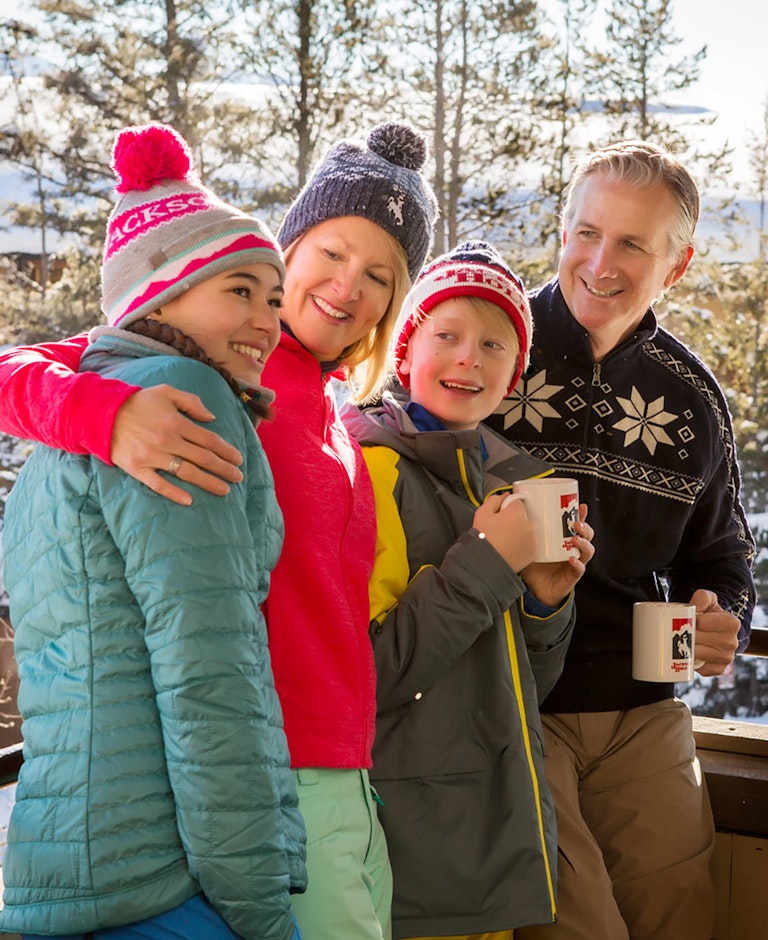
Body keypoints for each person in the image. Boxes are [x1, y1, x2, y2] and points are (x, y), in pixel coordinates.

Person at [0, 121, 438, 940]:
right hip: (262, 774)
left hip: (339, 765)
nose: (349, 286)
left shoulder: (326, 406)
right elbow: (35, 366)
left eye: (381, 274)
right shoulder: (209, 374)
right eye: (334, 253)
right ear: (291, 243)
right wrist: (107, 413)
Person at [0, 122, 306, 939]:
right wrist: (259, 902)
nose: (267, 319)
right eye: (238, 290)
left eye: (273, 298)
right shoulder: (175, 401)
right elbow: (210, 673)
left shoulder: (67, 434)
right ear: (159, 299)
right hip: (163, 879)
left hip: (60, 864)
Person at [483, 141, 757, 940]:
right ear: (561, 232)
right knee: (579, 927)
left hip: (645, 710)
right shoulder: (491, 345)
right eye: (586, 233)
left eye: (633, 243)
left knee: (681, 919)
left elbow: (722, 556)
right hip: (511, 697)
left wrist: (720, 612)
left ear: (677, 264)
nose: (601, 262)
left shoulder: (694, 397)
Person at [342, 241, 594, 940]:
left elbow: (523, 685)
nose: (467, 359)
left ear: (513, 374)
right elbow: (370, 673)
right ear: (405, 351)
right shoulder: (368, 472)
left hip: (494, 828)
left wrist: (545, 601)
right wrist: (486, 560)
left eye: (493, 345)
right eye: (445, 335)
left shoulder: (518, 485)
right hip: (413, 835)